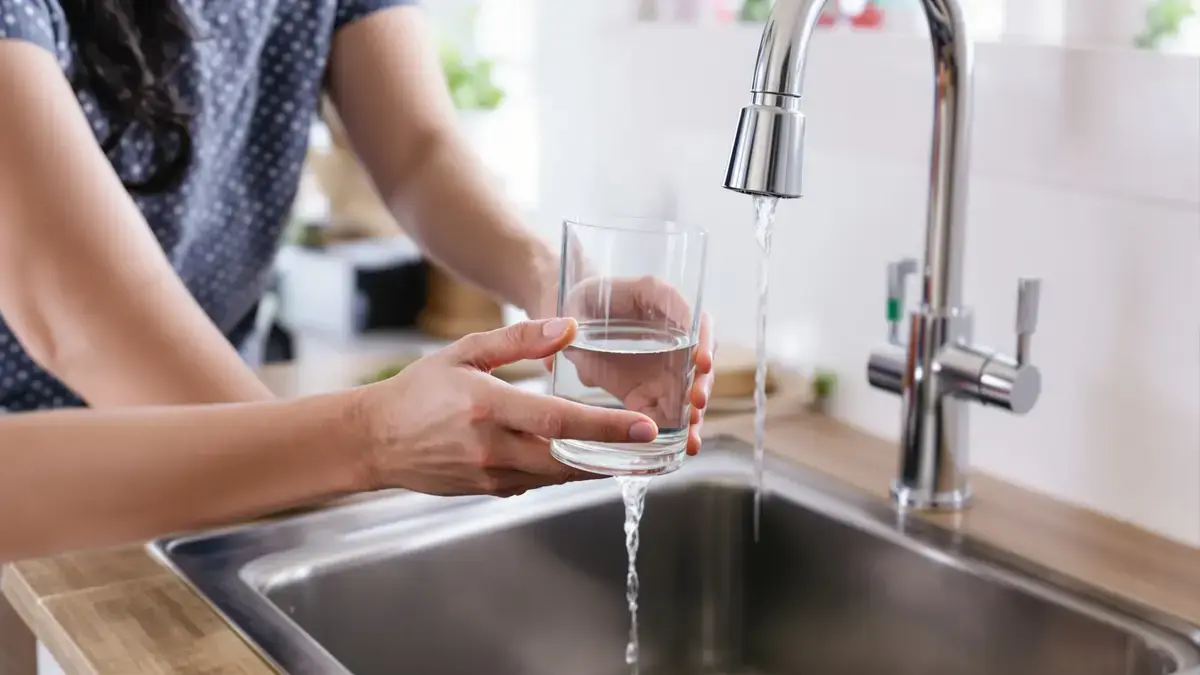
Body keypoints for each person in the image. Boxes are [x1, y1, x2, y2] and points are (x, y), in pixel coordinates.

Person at [0, 2, 715, 558]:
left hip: (219, 433)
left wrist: (562, 287)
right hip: (40, 480)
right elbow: (77, 311)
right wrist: (363, 447)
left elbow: (419, 151)